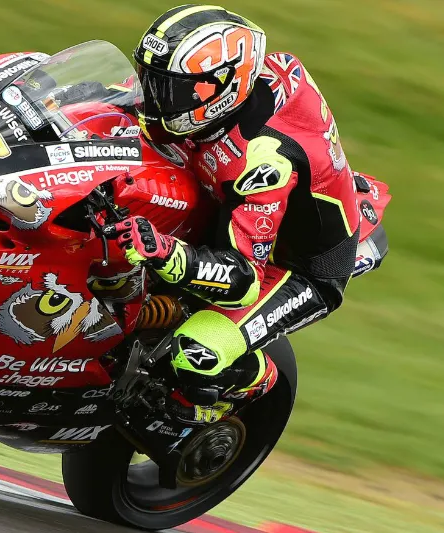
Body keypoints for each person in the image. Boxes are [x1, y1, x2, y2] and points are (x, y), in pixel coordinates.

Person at [104, 5, 363, 420]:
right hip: (228, 201)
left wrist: (166, 253)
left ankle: (252, 387)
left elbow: (242, 279)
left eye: (171, 90)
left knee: (195, 355)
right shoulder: (226, 97)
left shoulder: (263, 165)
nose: (153, 98)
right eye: (151, 80)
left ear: (219, 92)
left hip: (291, 266)